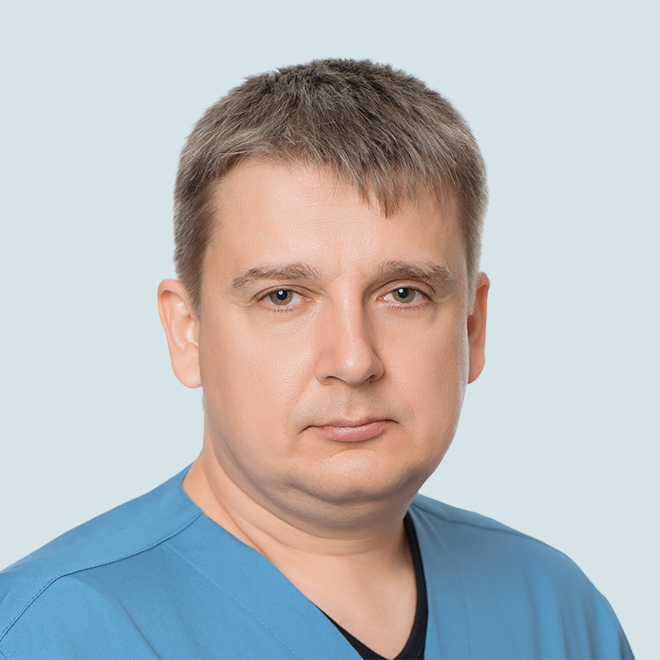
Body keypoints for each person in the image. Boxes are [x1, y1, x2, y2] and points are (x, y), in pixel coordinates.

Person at [0, 59, 633, 660]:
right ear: (188, 332)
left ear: (472, 326)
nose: (354, 361)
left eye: (403, 294)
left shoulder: (558, 610)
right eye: (283, 296)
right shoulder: (54, 629)